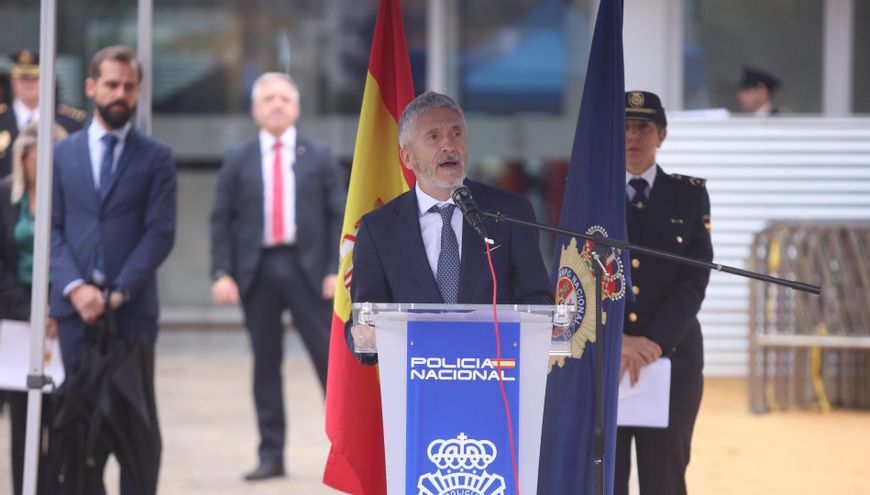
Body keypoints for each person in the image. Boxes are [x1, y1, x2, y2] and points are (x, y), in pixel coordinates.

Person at [49, 45, 176, 495]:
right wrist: (75, 288)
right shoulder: (61, 156)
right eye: (111, 84)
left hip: (132, 316)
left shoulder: (156, 156)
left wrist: (118, 292)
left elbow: (160, 233)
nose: (120, 93)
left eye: (128, 86)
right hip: (74, 317)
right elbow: (52, 228)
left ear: (138, 91)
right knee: (79, 433)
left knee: (135, 434)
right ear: (91, 88)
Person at [209, 72, 345, 481]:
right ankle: (271, 456)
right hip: (258, 270)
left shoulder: (318, 155)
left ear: (298, 107)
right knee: (265, 365)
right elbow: (222, 219)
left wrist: (335, 269)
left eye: (285, 98)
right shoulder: (239, 158)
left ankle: (347, 451)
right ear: (254, 109)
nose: (277, 105)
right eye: (268, 98)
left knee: (330, 363)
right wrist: (222, 272)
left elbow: (338, 215)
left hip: (310, 270)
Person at [346, 91, 553, 359]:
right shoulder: (379, 228)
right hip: (417, 383)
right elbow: (364, 316)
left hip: (496, 378)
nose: (448, 146)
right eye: (433, 137)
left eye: (456, 134)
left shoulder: (508, 212)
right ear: (407, 158)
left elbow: (537, 299)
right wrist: (363, 334)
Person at [614, 90, 713, 495]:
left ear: (662, 134)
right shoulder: (588, 194)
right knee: (605, 479)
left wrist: (652, 342)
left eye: (643, 127)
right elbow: (575, 275)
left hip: (672, 357)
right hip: (609, 361)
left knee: (665, 479)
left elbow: (695, 278)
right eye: (624, 128)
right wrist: (616, 340)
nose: (633, 137)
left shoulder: (688, 195)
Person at [0, 122, 67, 495]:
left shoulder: (70, 197)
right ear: (22, 158)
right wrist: (28, 309)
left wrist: (56, 307)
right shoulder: (6, 196)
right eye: (34, 157)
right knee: (23, 414)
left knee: (60, 414)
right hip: (17, 316)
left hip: (60, 313)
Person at [0, 50, 86, 178]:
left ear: (47, 79)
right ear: (13, 80)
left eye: (35, 78)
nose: (28, 83)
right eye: (23, 78)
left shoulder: (70, 122)